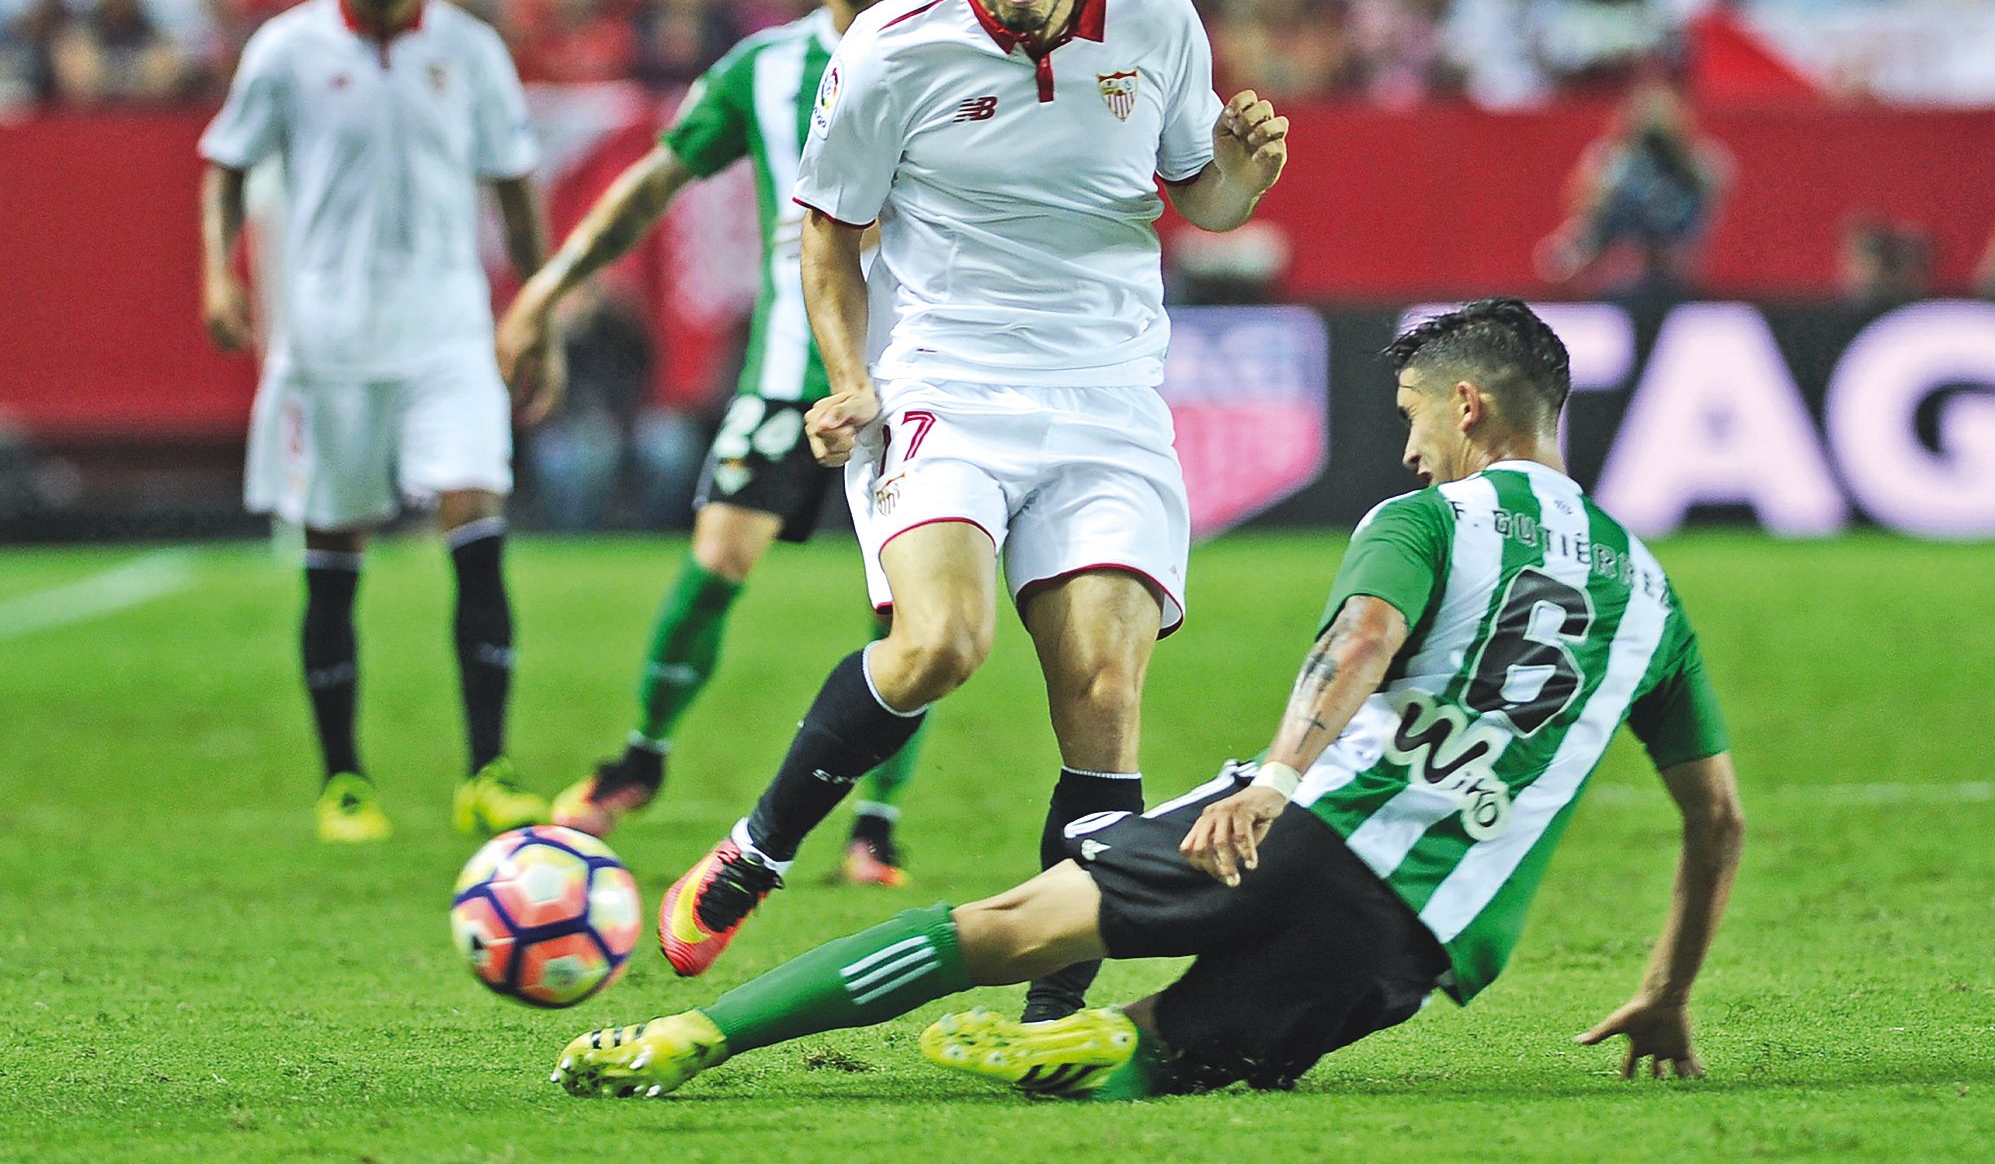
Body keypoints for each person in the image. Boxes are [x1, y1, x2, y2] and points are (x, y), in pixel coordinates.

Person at [550, 299, 1745, 1101]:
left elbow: (1365, 638)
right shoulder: (1652, 595)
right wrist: (1666, 990)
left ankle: (683, 1039)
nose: (1408, 449)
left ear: (1467, 408)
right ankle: (1115, 1039)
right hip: (1415, 943)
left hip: (1301, 829)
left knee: (998, 926)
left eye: (1413, 419)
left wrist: (1275, 779)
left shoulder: (1427, 519)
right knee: (1178, 1049)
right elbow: (1718, 821)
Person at [649, 0, 1290, 1032]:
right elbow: (829, 235)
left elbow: (1194, 194)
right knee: (941, 641)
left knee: (1101, 689)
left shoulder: (1157, 21)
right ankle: (757, 848)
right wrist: (850, 378)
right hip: (945, 380)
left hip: (1105, 396)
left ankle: (1056, 1011)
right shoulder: (893, 48)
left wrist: (1236, 183)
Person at [495, 0, 928, 886]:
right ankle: (636, 762)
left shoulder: (948, 54)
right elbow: (649, 188)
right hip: (788, 371)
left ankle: (876, 823)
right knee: (715, 558)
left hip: (916, 374)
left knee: (911, 611)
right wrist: (546, 288)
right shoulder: (761, 69)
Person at [199, 0, 562, 844]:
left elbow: (515, 188)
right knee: (334, 546)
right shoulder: (286, 51)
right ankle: (344, 781)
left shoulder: (471, 52)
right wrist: (219, 277)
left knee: (473, 506)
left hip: (448, 328)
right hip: (327, 337)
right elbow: (225, 166)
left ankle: (486, 769)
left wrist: (539, 309)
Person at [1536, 79, 1730, 302]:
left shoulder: (1697, 164)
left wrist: (1681, 168)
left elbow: (1713, 193)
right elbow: (1588, 216)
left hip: (1675, 278)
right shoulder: (1613, 162)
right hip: (1619, 277)